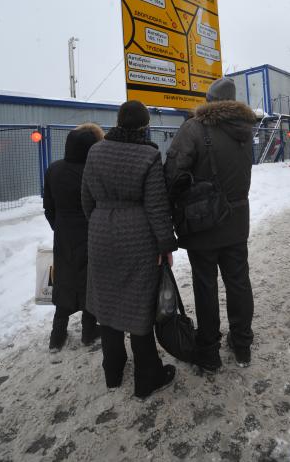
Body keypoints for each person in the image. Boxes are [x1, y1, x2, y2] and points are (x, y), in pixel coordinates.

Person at [81, 100, 177, 399]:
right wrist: (166, 244)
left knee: (107, 303)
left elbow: (86, 198)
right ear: (144, 125)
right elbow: (157, 206)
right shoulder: (148, 154)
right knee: (140, 307)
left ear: (118, 121)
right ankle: (148, 376)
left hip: (101, 233)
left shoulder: (96, 150)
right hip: (138, 238)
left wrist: (100, 223)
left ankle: (113, 369)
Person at [165, 77, 256, 371]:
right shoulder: (245, 130)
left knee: (206, 286)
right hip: (237, 221)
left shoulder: (194, 128)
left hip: (203, 224)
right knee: (239, 282)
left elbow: (173, 171)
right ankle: (242, 344)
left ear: (209, 100)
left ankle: (209, 350)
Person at [43, 123, 104, 352]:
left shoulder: (54, 169)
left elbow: (48, 207)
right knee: (90, 281)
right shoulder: (93, 171)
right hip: (91, 233)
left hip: (64, 235)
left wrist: (58, 227)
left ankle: (56, 336)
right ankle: (89, 331)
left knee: (64, 282)